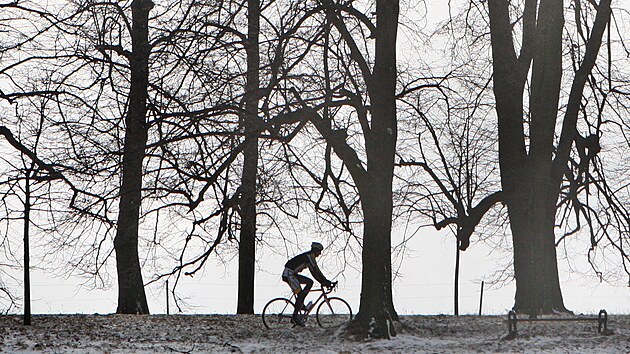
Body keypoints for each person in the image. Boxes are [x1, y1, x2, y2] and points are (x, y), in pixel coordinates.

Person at [282, 242, 333, 326]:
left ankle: (300, 304)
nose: (320, 254)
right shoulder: (309, 257)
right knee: (304, 289)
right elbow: (315, 271)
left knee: (307, 285)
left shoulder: (309, 256)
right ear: (315, 250)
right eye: (319, 251)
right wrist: (325, 281)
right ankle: (295, 316)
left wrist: (325, 281)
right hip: (289, 274)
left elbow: (315, 272)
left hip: (291, 274)